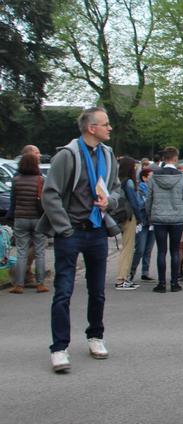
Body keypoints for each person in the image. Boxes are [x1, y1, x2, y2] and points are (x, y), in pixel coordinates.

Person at [37, 107, 120, 372]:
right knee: (63, 291)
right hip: (71, 231)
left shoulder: (108, 156)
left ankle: (95, 336)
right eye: (105, 124)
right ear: (90, 128)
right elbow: (50, 194)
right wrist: (64, 228)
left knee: (97, 291)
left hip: (96, 230)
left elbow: (116, 188)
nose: (110, 128)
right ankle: (59, 348)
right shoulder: (67, 155)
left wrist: (111, 201)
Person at [147, 146, 183, 294]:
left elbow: (149, 199)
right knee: (175, 251)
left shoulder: (154, 177)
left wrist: (149, 215)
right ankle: (174, 283)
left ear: (164, 159)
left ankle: (161, 283)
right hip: (177, 218)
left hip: (159, 217)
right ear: (175, 158)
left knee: (161, 251)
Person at [7, 153, 48, 294]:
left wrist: (11, 217)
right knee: (40, 252)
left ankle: (19, 285)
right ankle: (40, 283)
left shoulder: (16, 180)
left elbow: (13, 200)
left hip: (20, 219)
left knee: (21, 252)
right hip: (37, 219)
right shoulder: (40, 180)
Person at [114, 156, 145, 290]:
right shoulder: (129, 183)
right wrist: (139, 217)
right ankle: (121, 278)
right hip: (129, 216)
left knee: (125, 247)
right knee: (128, 248)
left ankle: (123, 278)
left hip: (120, 215)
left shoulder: (118, 181)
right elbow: (135, 202)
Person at [130, 167, 156, 282]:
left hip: (152, 221)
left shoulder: (155, 188)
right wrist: (150, 201)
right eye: (151, 176)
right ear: (144, 178)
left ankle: (145, 272)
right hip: (142, 221)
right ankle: (131, 270)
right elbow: (140, 204)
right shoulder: (140, 189)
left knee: (149, 248)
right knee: (140, 248)